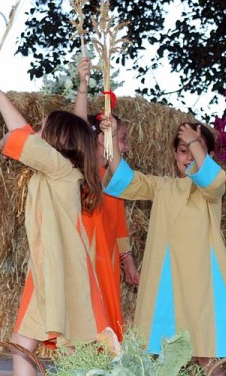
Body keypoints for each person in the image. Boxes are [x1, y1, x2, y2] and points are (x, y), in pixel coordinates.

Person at [101, 117, 226, 374]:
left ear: (209, 155)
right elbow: (124, 178)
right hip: (167, 283)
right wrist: (110, 140)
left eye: (196, 150)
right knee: (163, 357)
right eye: (183, 150)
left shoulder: (210, 191)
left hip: (201, 284)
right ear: (174, 154)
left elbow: (215, 181)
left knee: (206, 355)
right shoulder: (163, 187)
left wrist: (195, 141)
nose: (188, 157)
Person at [0, 74, 115, 376]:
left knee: (30, 344)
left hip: (55, 270)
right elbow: (22, 133)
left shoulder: (57, 168)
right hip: (52, 269)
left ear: (59, 141)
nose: (36, 132)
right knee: (31, 343)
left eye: (43, 128)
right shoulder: (60, 169)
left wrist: (1, 134)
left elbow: (17, 135)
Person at [73, 58, 140, 341]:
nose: (125, 146)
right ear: (103, 138)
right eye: (121, 138)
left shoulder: (115, 178)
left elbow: (119, 223)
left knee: (108, 326)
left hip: (107, 259)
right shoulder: (80, 172)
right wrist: (83, 84)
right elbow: (76, 128)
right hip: (83, 256)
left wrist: (128, 260)